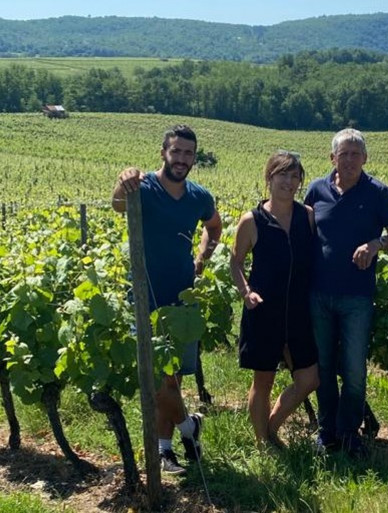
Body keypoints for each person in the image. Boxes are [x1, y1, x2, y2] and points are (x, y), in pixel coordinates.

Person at [112, 124, 222, 475]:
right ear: (163, 152)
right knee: (157, 377)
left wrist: (202, 259)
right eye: (176, 152)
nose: (182, 159)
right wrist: (124, 179)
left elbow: (214, 226)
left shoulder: (199, 197)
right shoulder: (142, 187)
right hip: (144, 295)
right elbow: (117, 203)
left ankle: (165, 450)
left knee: (172, 380)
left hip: (182, 297)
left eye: (189, 153)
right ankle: (189, 426)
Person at [304, 128, 388, 457]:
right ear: (331, 157)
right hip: (317, 293)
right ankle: (327, 430)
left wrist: (376, 244)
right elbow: (302, 230)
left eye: (355, 153)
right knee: (323, 366)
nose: (348, 159)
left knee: (353, 368)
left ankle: (349, 432)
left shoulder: (378, 192)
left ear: (365, 158)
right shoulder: (316, 190)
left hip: (357, 297)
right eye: (343, 153)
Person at [230, 150, 320, 449]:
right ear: (269, 177)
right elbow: (236, 263)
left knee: (309, 379)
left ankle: (269, 427)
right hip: (263, 311)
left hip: (298, 311)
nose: (290, 181)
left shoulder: (307, 215)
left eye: (295, 176)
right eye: (283, 174)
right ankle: (262, 443)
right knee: (263, 380)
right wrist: (246, 292)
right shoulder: (251, 220)